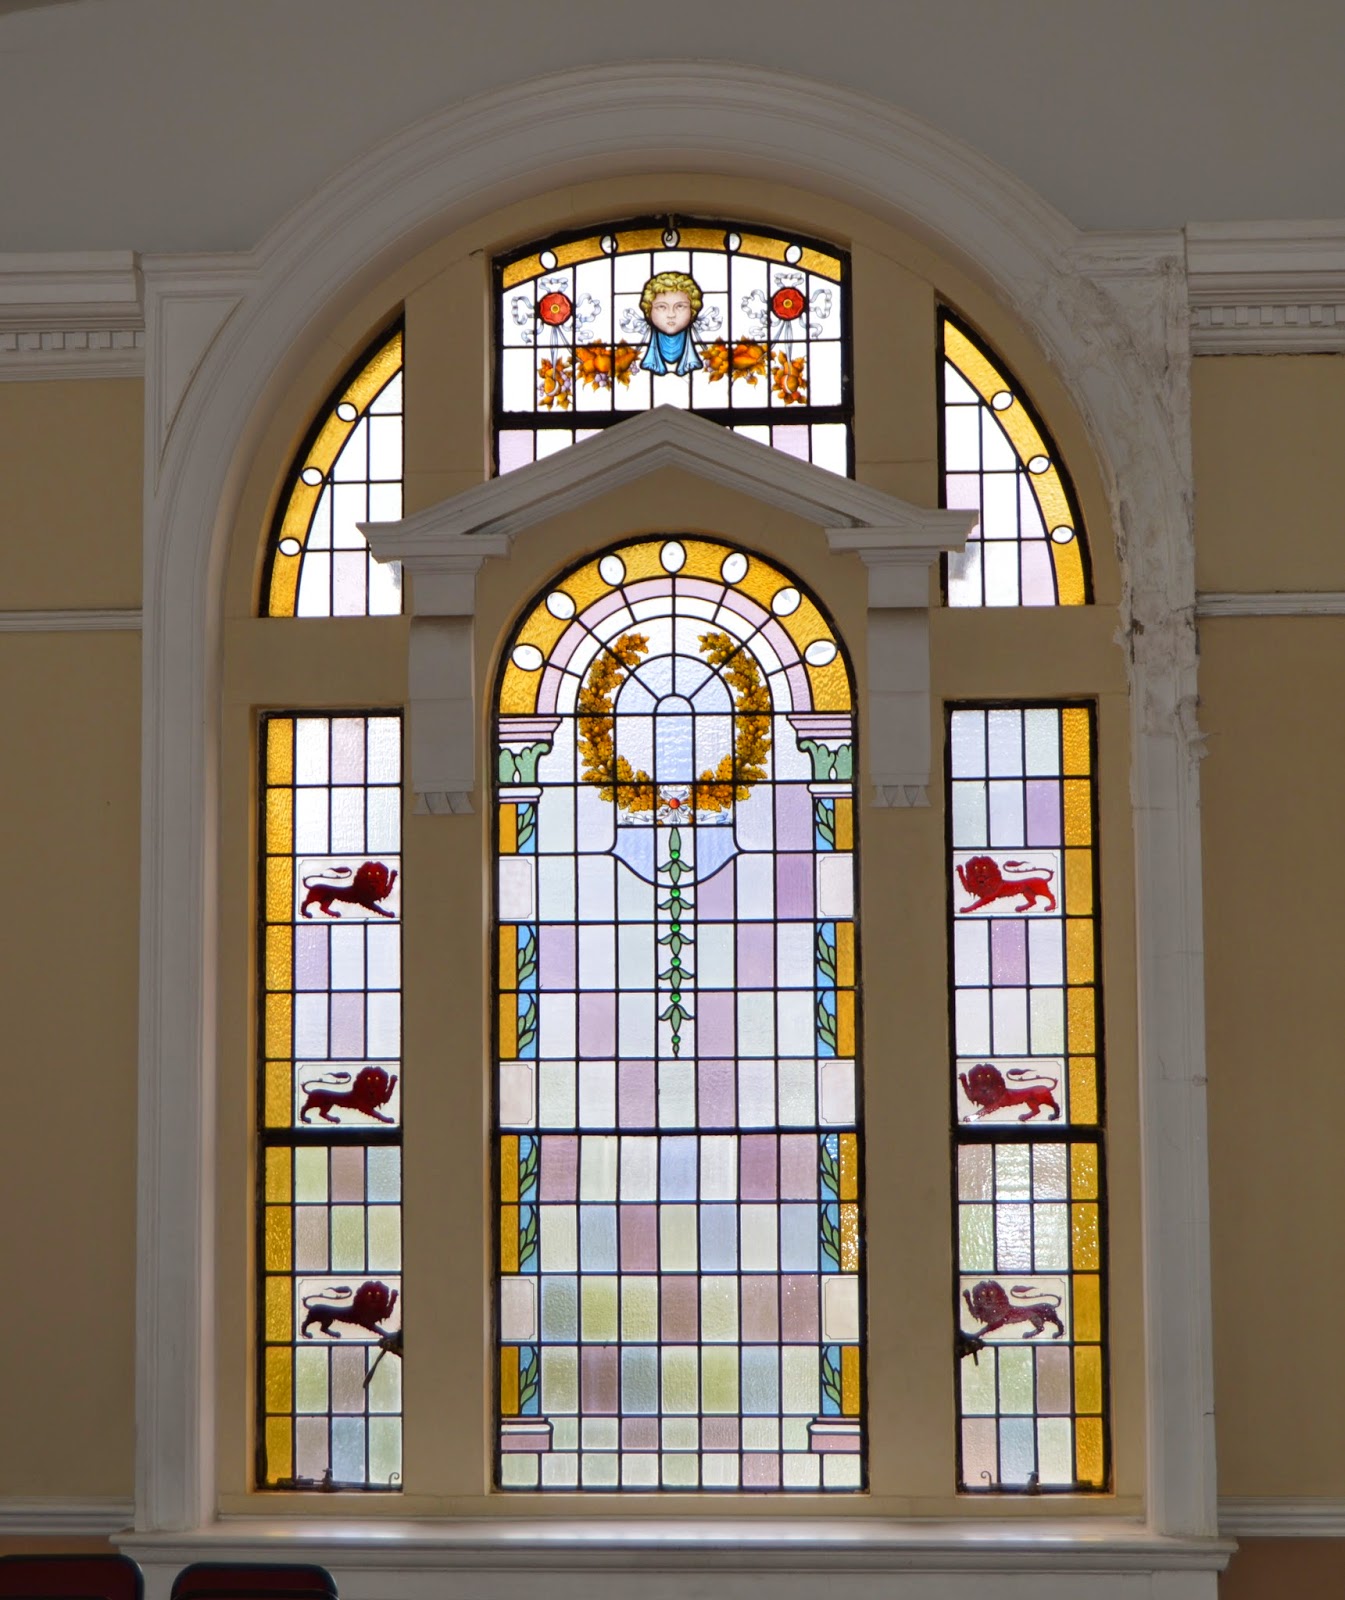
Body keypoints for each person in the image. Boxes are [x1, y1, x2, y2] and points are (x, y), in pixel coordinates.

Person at [637, 270, 704, 376]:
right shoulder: (635, 354)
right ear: (649, 310)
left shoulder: (706, 351)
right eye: (662, 307)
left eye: (680, 306)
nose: (671, 314)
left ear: (692, 309)